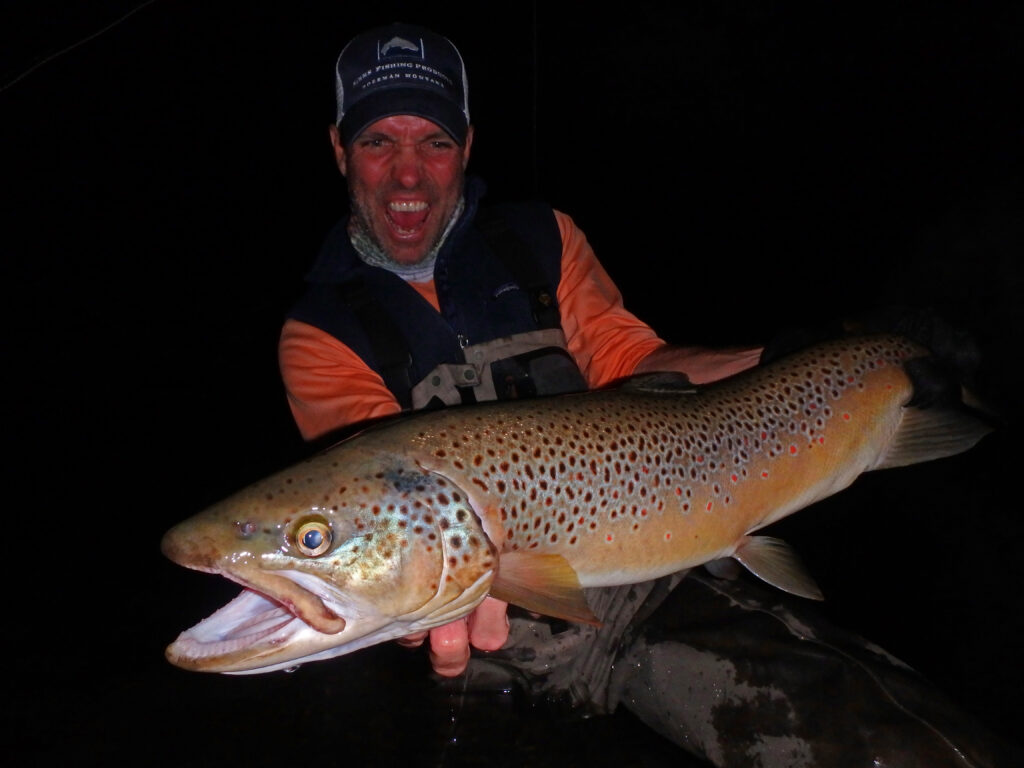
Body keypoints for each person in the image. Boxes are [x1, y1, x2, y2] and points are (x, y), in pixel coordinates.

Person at [278, 22, 762, 678]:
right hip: (494, 635)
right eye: (377, 142)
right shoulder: (319, 332)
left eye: (436, 141)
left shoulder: (543, 237)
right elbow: (375, 494)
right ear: (339, 149)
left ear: (468, 146)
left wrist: (787, 358)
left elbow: (634, 365)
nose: (408, 174)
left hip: (655, 572)